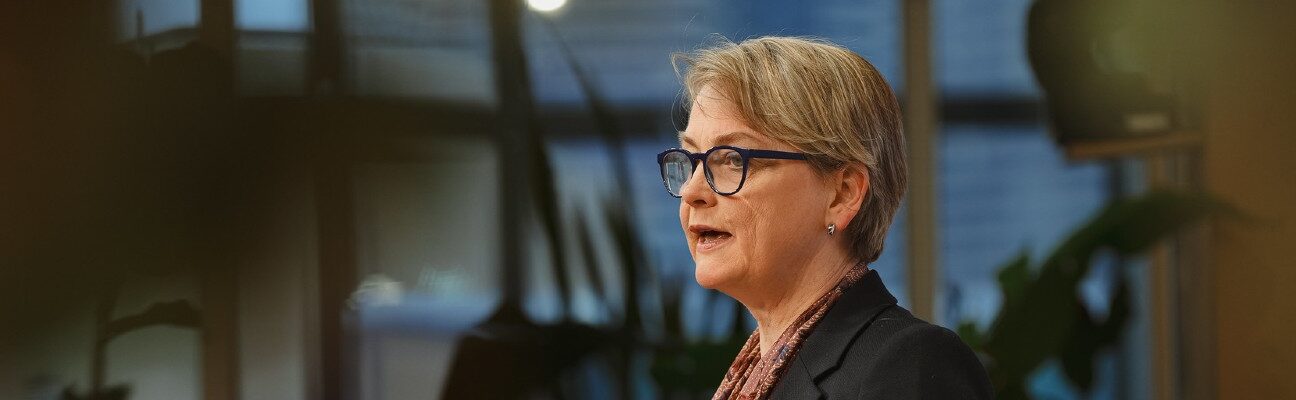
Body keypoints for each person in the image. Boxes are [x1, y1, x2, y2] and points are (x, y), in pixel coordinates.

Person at [659, 36, 993, 399]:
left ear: (842, 194)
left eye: (733, 160)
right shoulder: (756, 374)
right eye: (690, 160)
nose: (692, 192)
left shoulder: (912, 364)